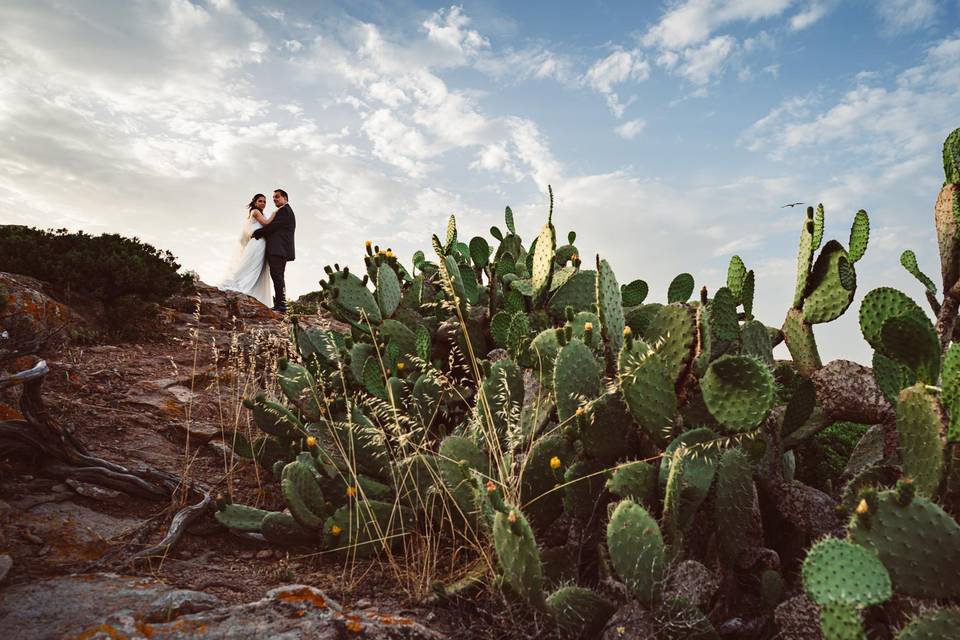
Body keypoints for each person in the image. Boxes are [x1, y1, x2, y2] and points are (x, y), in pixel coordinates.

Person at [218, 193, 273, 306]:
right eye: (260, 201)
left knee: (257, 268)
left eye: (264, 201)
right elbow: (266, 223)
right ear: (255, 202)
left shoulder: (261, 213)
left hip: (262, 243)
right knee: (250, 267)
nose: (263, 203)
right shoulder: (255, 212)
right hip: (257, 243)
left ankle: (254, 294)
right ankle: (239, 287)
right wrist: (275, 214)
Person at [252, 189, 296, 313]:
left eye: (277, 197)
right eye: (273, 198)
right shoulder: (285, 211)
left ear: (285, 198)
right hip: (280, 250)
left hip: (279, 249)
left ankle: (282, 305)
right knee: (277, 276)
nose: (275, 199)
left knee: (277, 276)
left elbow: (272, 227)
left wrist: (257, 233)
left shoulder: (284, 210)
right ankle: (279, 305)